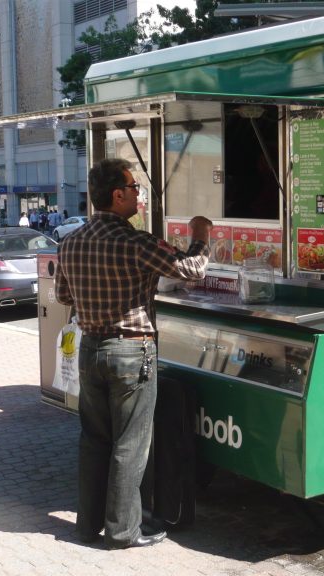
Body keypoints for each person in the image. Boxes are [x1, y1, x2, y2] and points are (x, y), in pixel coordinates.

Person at [54, 158, 212, 550]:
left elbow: (62, 296)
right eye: (134, 187)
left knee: (94, 441)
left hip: (91, 349)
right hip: (131, 350)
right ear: (117, 194)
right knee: (130, 442)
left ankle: (88, 525)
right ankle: (124, 530)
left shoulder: (71, 241)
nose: (139, 194)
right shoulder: (134, 241)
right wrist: (201, 235)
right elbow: (191, 269)